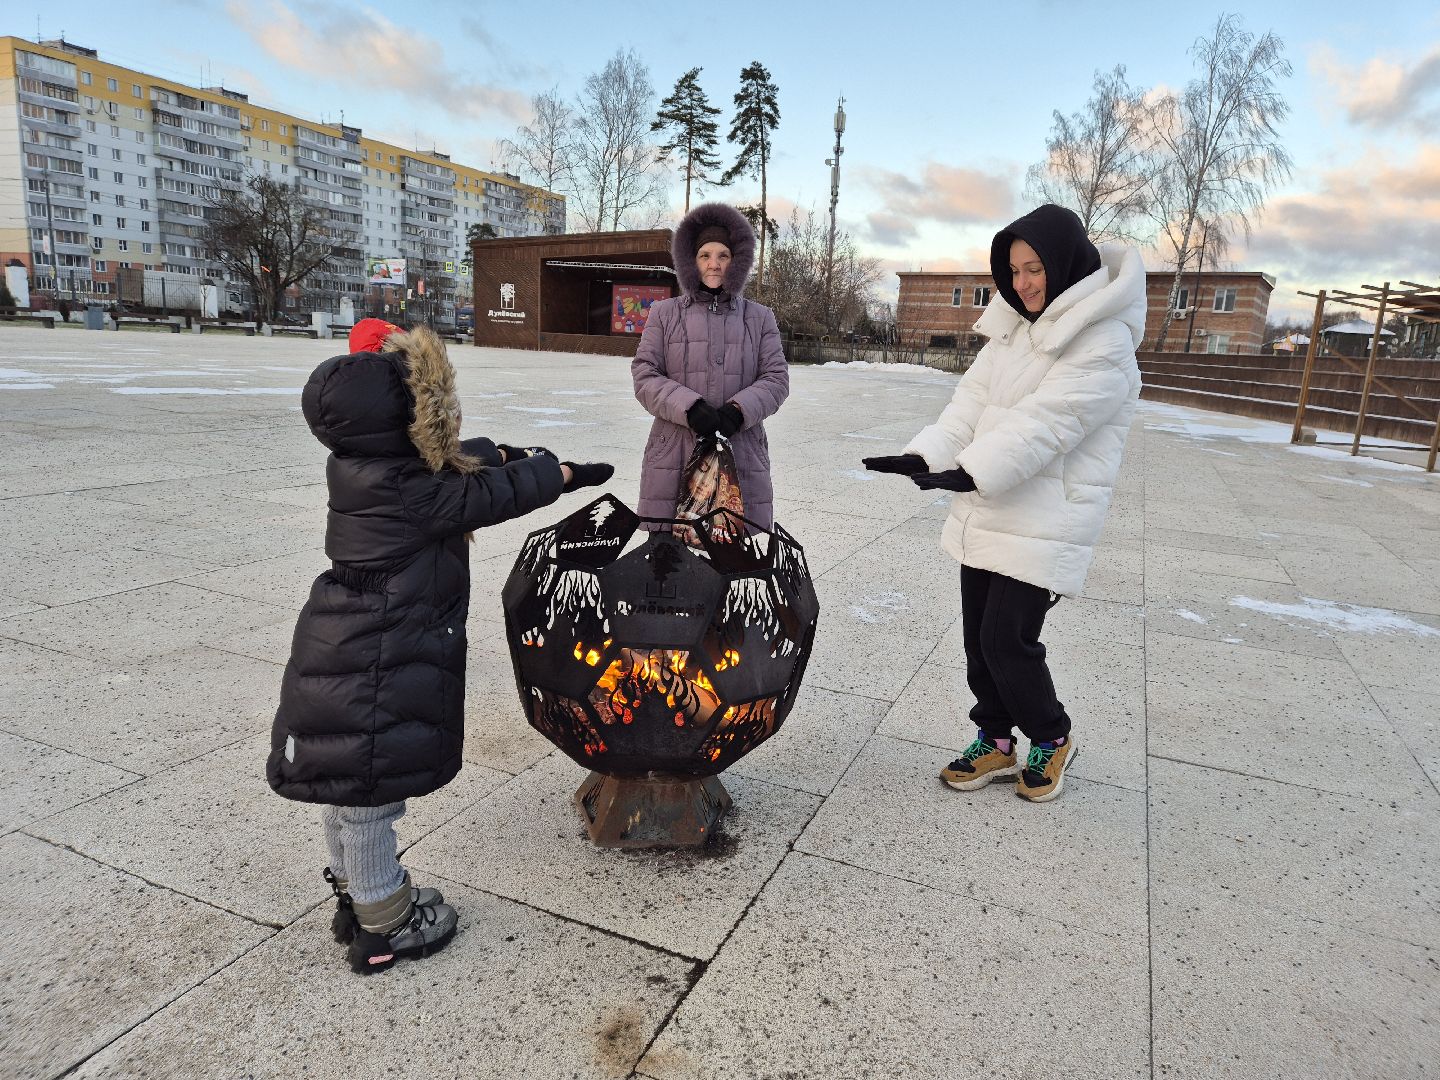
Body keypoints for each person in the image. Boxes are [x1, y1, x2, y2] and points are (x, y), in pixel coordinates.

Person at [267, 318, 614, 973]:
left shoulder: (363, 466)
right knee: (371, 798)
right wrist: (556, 472)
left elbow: (465, 468)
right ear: (408, 417)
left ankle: (354, 898)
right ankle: (386, 923)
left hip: (349, 643)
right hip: (377, 657)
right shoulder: (414, 490)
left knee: (351, 791)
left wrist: (508, 452)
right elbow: (486, 494)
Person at [863, 204, 1144, 803]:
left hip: (1047, 516)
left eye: (1035, 268)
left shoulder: (1105, 340)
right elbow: (969, 407)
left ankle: (1051, 735)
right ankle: (994, 739)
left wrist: (971, 470)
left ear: (1067, 263)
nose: (1024, 283)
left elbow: (1050, 423)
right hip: (990, 501)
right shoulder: (1013, 331)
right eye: (1013, 271)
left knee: (1006, 640)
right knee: (976, 639)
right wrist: (929, 455)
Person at [633, 202, 789, 528]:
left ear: (737, 261)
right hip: (674, 452)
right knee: (668, 564)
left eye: (723, 256)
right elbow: (645, 373)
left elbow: (776, 378)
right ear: (691, 261)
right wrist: (688, 407)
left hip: (740, 451)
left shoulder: (759, 318)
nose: (714, 265)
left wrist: (739, 411)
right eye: (705, 255)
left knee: (731, 560)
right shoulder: (665, 314)